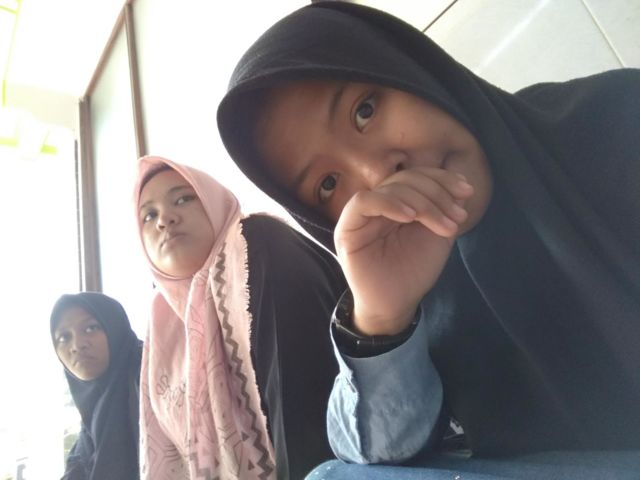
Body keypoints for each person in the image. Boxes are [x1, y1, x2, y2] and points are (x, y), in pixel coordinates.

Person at [217, 1, 640, 466]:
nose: (377, 173)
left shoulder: (616, 121)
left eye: (364, 111)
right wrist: (382, 322)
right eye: (329, 185)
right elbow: (366, 452)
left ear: (410, 69)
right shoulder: (414, 290)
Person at [133, 155, 345, 479]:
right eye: (148, 215)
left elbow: (307, 428)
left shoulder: (260, 246)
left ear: (214, 202)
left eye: (183, 198)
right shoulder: (163, 325)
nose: (164, 219)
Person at [50, 292, 143, 480]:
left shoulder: (152, 380)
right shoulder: (88, 432)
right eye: (64, 337)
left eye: (91, 328)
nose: (77, 345)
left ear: (114, 327)